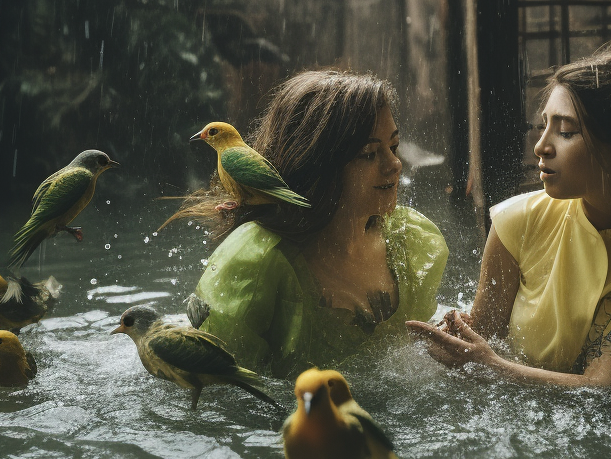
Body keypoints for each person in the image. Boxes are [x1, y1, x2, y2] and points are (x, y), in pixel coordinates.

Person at [408, 44, 611, 388]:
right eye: (543, 126)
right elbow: (477, 345)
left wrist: (492, 365)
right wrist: (449, 344)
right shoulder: (516, 222)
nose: (541, 146)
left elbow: (606, 389)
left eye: (566, 132)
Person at [191, 70, 448, 376]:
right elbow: (213, 389)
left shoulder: (408, 241)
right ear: (318, 165)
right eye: (369, 154)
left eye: (393, 147)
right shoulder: (256, 265)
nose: (394, 165)